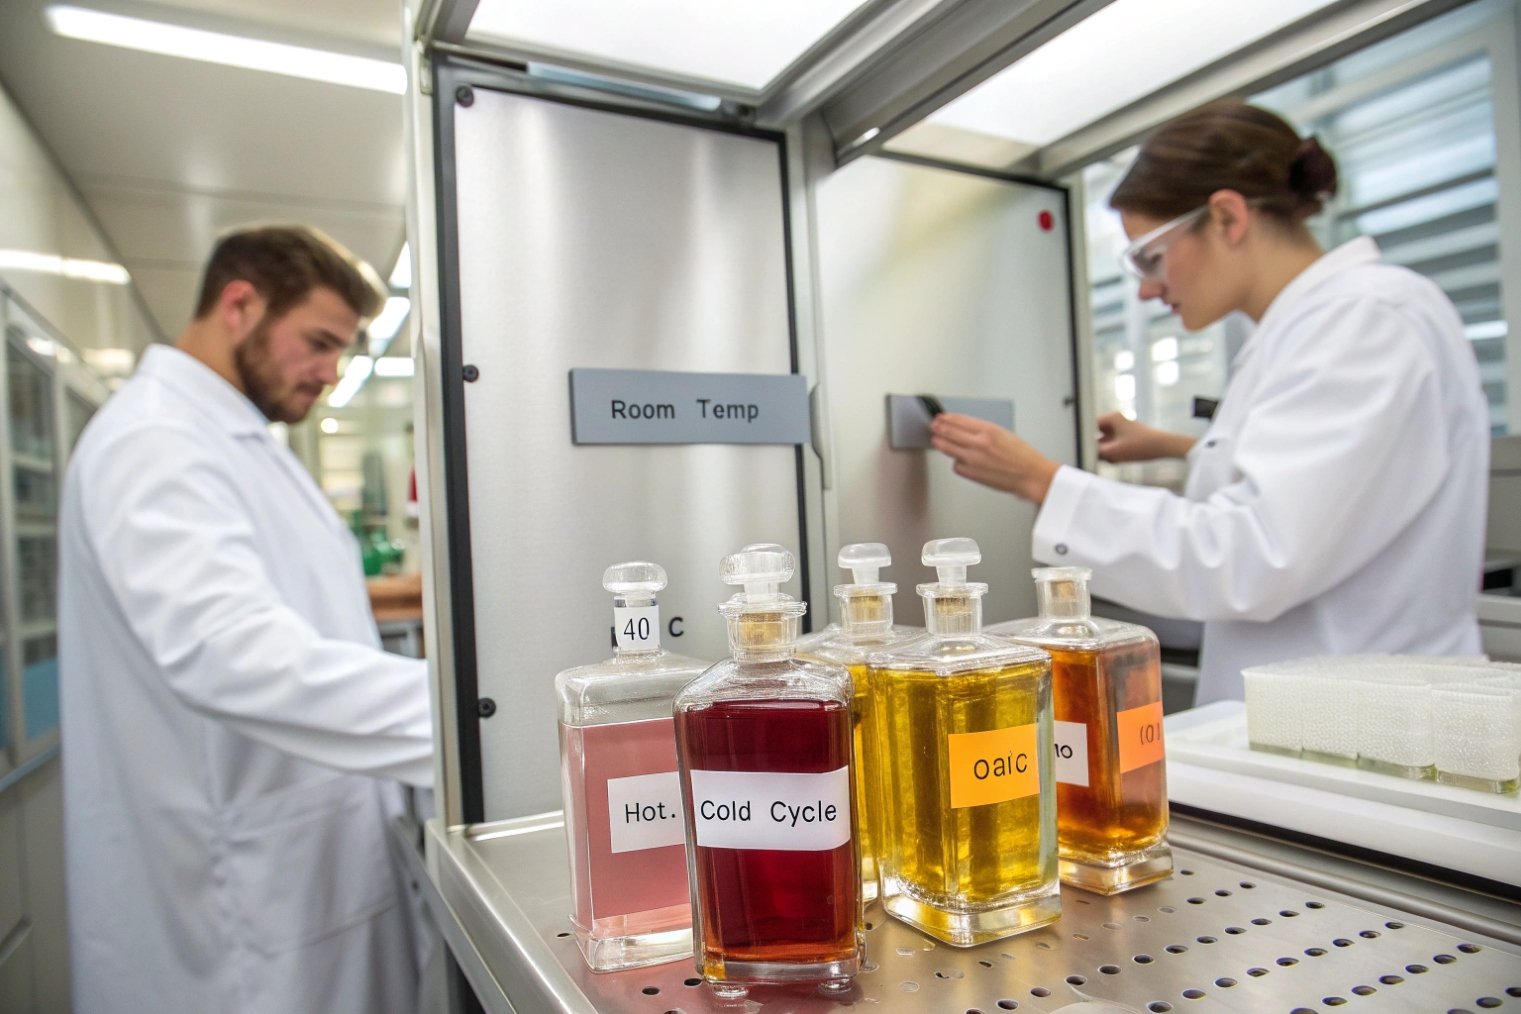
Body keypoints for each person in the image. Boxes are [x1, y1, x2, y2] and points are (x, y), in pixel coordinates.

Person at [930, 100, 1489, 705]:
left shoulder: (1366, 318)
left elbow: (1252, 554)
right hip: (1323, 713)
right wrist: (1180, 447)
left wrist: (1042, 481)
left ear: (1226, 216)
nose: (1146, 289)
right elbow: (1332, 485)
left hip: (1373, 724)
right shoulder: (1305, 328)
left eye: (1151, 256)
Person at [58, 226, 434, 1013]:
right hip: (239, 899)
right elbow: (229, 652)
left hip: (303, 861)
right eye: (318, 343)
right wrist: (462, 722)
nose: (329, 374)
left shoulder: (241, 443)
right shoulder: (155, 441)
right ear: (240, 304)